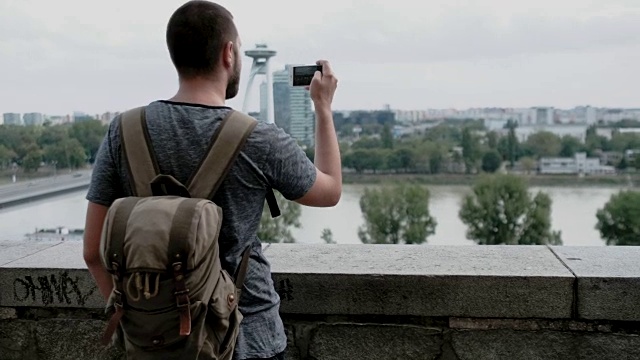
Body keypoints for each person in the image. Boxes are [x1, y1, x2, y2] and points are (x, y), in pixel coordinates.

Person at [82, 1, 341, 359]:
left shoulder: (123, 131)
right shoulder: (260, 139)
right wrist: (323, 108)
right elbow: (329, 192)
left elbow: (93, 251)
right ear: (229, 53)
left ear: (175, 55)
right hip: (250, 340)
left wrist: (142, 318)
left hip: (154, 342)